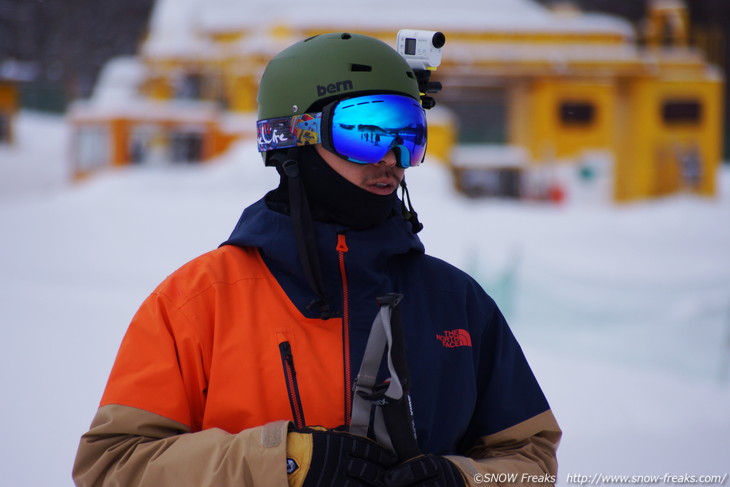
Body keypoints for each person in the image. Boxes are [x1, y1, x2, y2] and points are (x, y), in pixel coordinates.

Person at [73, 32, 561, 487]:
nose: (390, 157)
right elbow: (112, 465)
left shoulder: (456, 301)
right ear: (293, 137)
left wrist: (464, 478)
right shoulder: (198, 303)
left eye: (408, 134)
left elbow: (531, 460)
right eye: (365, 133)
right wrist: (281, 463)